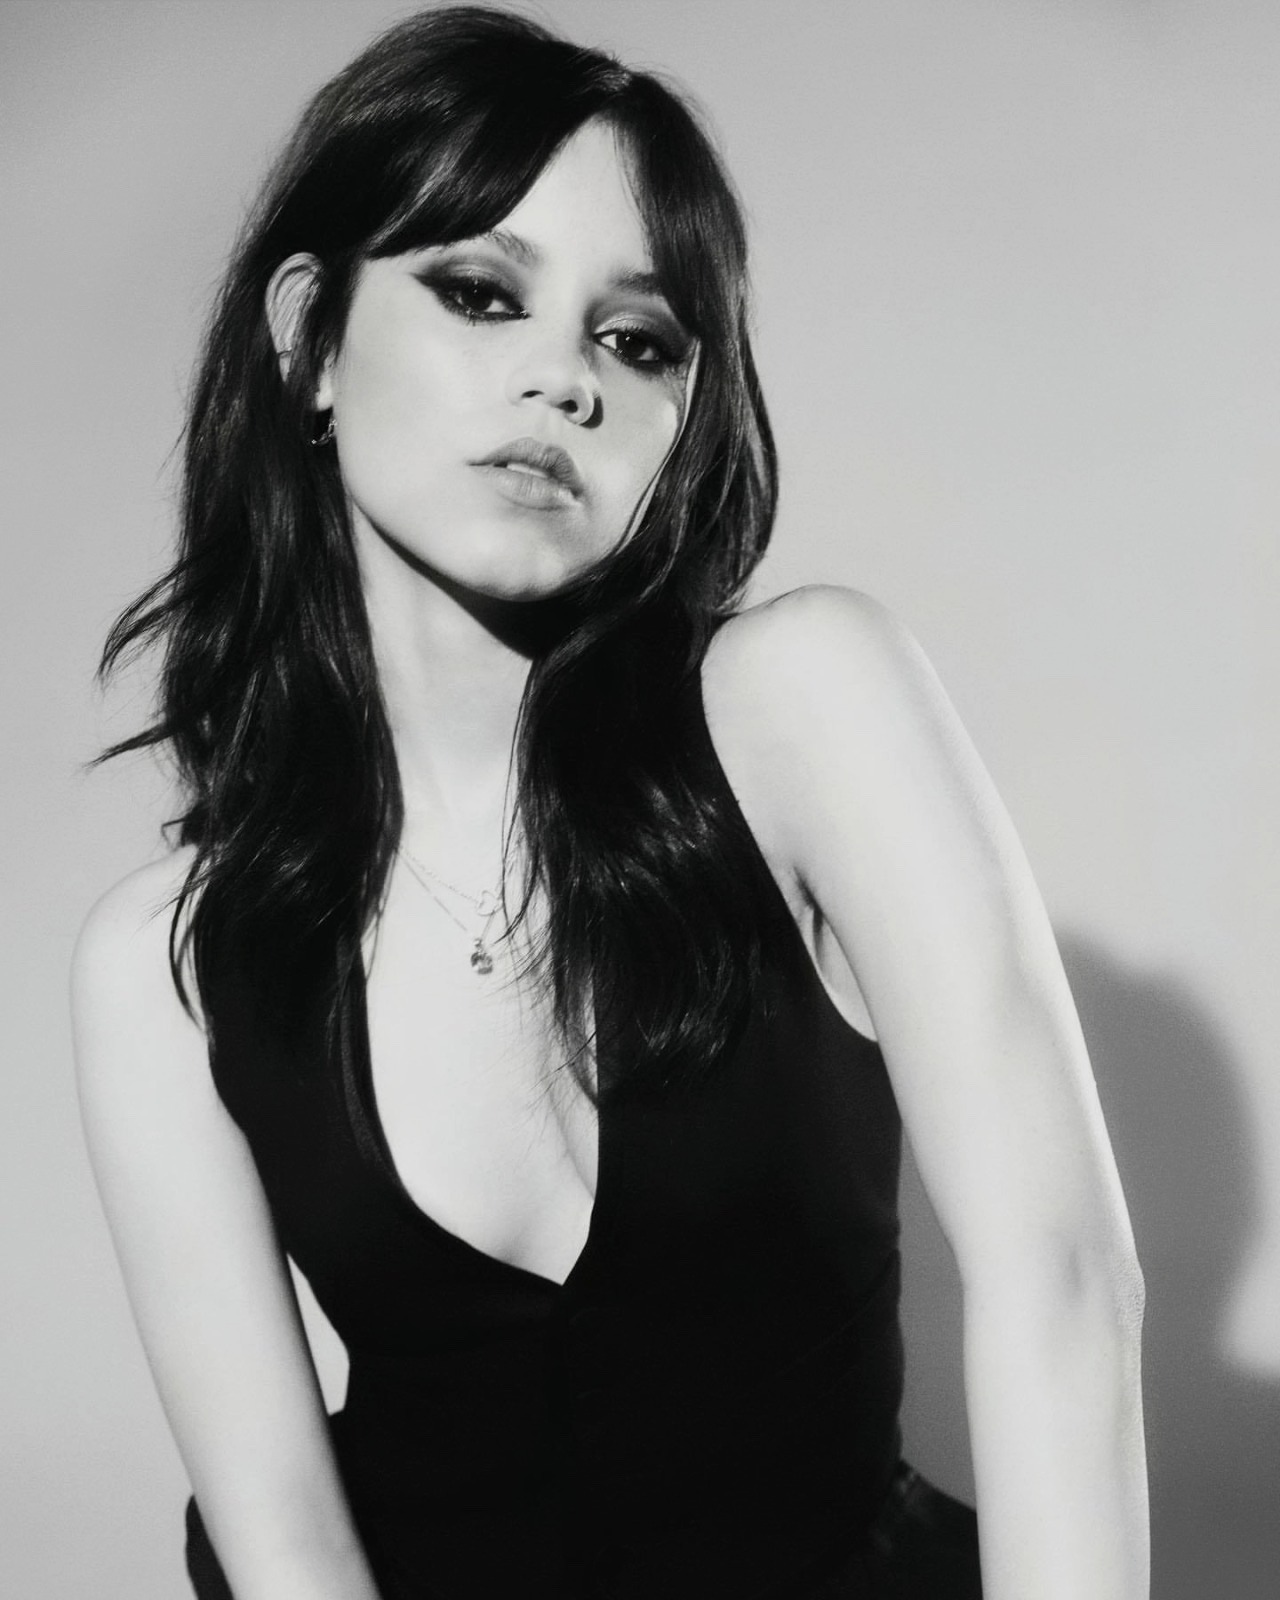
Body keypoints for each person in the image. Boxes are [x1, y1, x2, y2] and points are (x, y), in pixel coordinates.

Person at [70, 8, 1149, 1598]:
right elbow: (287, 1546)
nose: (562, 381)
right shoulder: (165, 966)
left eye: (637, 341)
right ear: (310, 342)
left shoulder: (802, 708)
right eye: (480, 293)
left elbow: (1064, 1288)